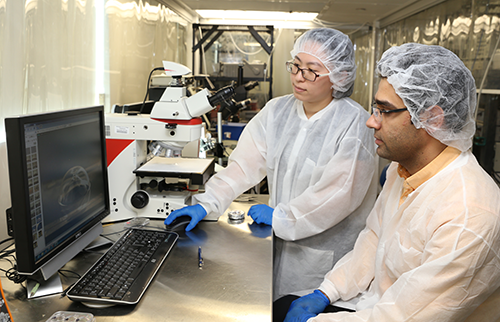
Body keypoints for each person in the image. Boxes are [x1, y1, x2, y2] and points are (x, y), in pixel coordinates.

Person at [278, 43, 500, 322]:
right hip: (372, 306)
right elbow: (374, 239)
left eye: (384, 111)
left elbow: (402, 317)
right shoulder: (402, 169)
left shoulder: (468, 216)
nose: (371, 122)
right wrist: (327, 291)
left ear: (431, 117)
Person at [165, 28, 378, 300]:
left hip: (324, 263)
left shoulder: (355, 125)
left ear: (339, 76)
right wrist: (206, 203)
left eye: (311, 70)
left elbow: (338, 194)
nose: (299, 77)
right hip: (280, 248)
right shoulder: (277, 111)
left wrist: (282, 217)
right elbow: (242, 167)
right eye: (296, 66)